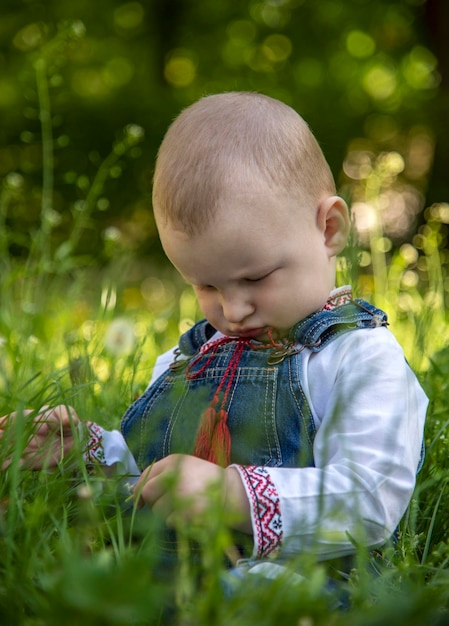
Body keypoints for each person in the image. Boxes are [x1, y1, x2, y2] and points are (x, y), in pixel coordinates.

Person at [0, 92, 427, 578]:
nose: (233, 310)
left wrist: (231, 494)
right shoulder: (193, 358)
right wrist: (91, 452)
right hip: (172, 573)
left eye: (256, 278)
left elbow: (371, 498)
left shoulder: (359, 358)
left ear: (329, 229)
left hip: (296, 581)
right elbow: (156, 475)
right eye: (205, 285)